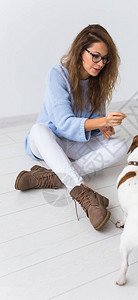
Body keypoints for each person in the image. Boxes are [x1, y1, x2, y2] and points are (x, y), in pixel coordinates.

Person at [15, 24, 127, 230]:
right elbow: (63, 124)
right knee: (38, 130)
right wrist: (102, 121)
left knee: (119, 146)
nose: (101, 63)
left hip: (74, 143)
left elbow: (93, 121)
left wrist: (103, 129)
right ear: (80, 51)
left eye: (105, 59)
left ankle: (55, 176)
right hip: (47, 142)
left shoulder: (97, 82)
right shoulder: (57, 74)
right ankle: (82, 192)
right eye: (96, 56)